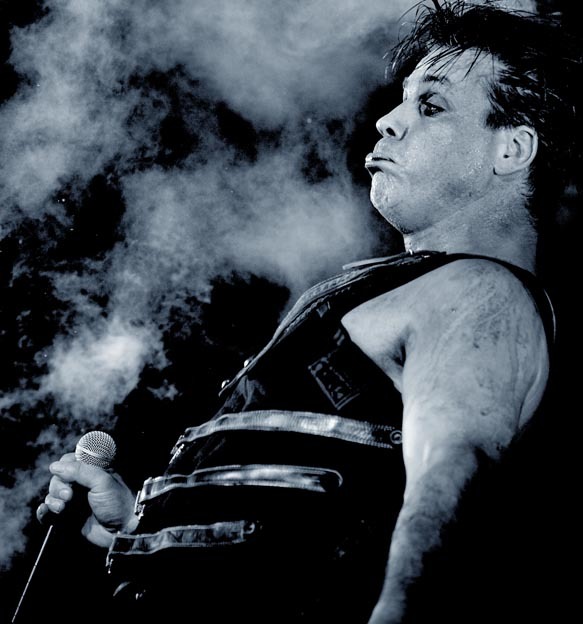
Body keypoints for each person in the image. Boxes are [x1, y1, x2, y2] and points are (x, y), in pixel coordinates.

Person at [36, 2, 580, 622]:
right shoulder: (411, 287)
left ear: (512, 149)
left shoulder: (481, 294)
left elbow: (449, 501)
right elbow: (292, 534)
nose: (387, 122)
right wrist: (136, 525)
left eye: (431, 106)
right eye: (401, 101)